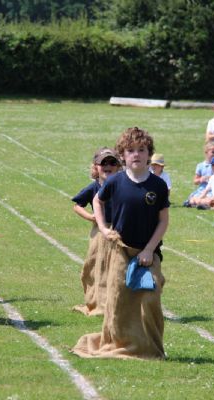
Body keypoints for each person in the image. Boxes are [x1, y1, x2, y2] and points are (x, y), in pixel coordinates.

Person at [72, 127, 169, 359]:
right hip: (120, 251)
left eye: (142, 150)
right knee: (118, 300)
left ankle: (151, 348)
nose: (136, 154)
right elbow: (97, 201)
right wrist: (103, 227)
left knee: (151, 297)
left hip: (148, 253)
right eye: (131, 150)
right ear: (123, 156)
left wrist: (149, 250)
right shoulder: (116, 181)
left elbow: (163, 220)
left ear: (149, 154)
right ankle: (118, 341)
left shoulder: (157, 185)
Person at [71, 147, 121, 317]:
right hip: (99, 230)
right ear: (95, 167)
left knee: (117, 266)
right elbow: (77, 206)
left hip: (119, 229)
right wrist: (91, 217)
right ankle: (97, 301)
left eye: (112, 162)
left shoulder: (122, 185)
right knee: (96, 265)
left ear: (119, 166)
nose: (108, 166)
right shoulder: (93, 187)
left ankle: (116, 303)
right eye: (103, 163)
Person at [183, 142, 214, 206]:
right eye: (213, 152)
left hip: (212, 190)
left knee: (206, 199)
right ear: (206, 153)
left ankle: (201, 203)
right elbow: (195, 181)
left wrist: (212, 178)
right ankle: (196, 202)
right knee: (193, 199)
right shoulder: (201, 165)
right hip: (202, 189)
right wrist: (201, 179)